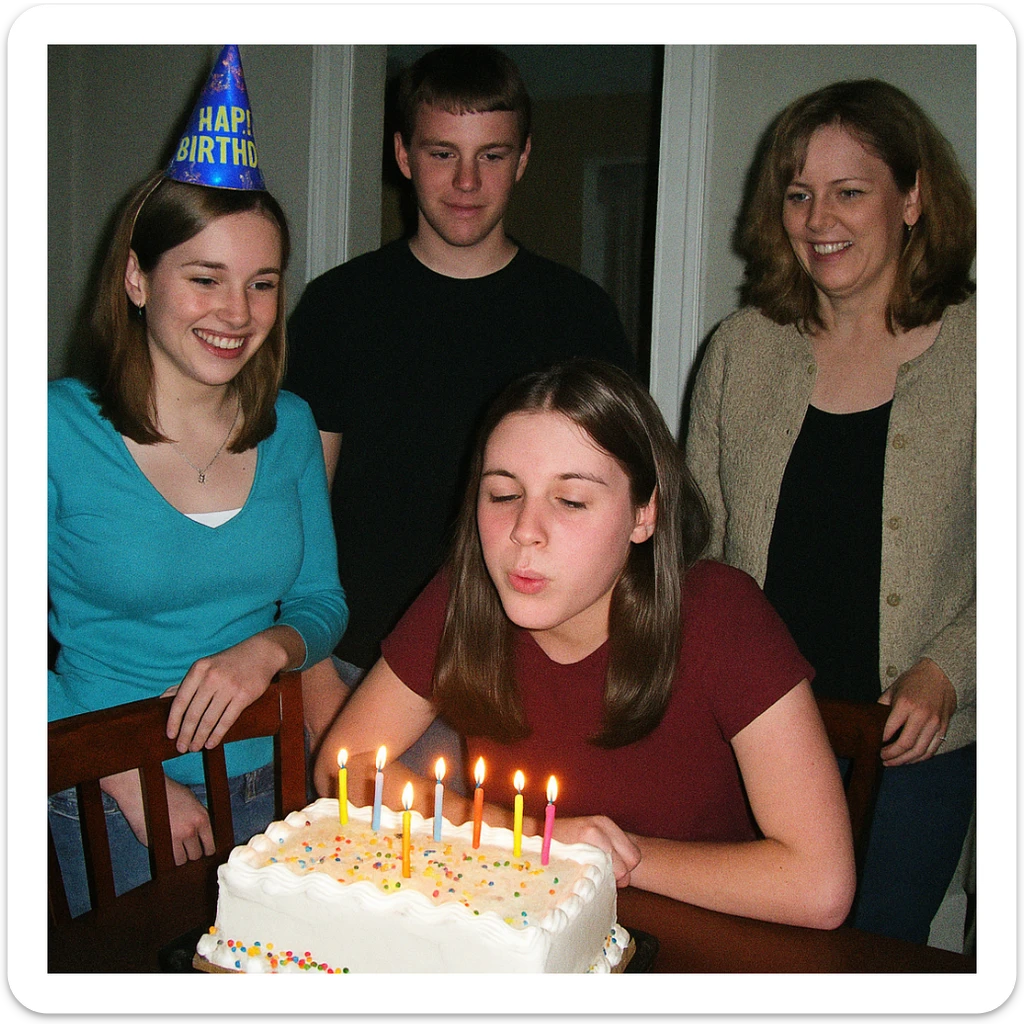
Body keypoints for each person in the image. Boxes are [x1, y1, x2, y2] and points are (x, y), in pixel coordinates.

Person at [312, 359, 856, 930]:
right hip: (526, 933)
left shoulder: (722, 615)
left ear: (643, 514)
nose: (525, 529)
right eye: (502, 495)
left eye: (570, 501)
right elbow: (341, 771)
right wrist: (522, 832)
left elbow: (818, 885)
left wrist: (607, 856)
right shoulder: (462, 596)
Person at [48, 46, 348, 917]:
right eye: (205, 278)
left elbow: (323, 600)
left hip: (266, 781)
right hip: (106, 792)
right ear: (139, 278)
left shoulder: (289, 423)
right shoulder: (51, 430)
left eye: (261, 284)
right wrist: (124, 778)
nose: (238, 313)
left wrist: (270, 650)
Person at [285, 46, 636, 779]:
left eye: (492, 155)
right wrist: (313, 674)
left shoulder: (580, 313)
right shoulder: (340, 307)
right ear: (404, 155)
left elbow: (615, 511)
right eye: (443, 152)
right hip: (361, 670)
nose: (467, 181)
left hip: (529, 679)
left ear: (524, 157)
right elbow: (295, 504)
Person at [685, 79, 976, 944]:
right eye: (800, 194)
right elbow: (697, 542)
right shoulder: (741, 348)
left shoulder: (983, 352)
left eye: (850, 191)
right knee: (740, 954)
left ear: (914, 195)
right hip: (756, 735)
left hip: (911, 750)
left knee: (871, 962)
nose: (819, 218)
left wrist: (950, 669)